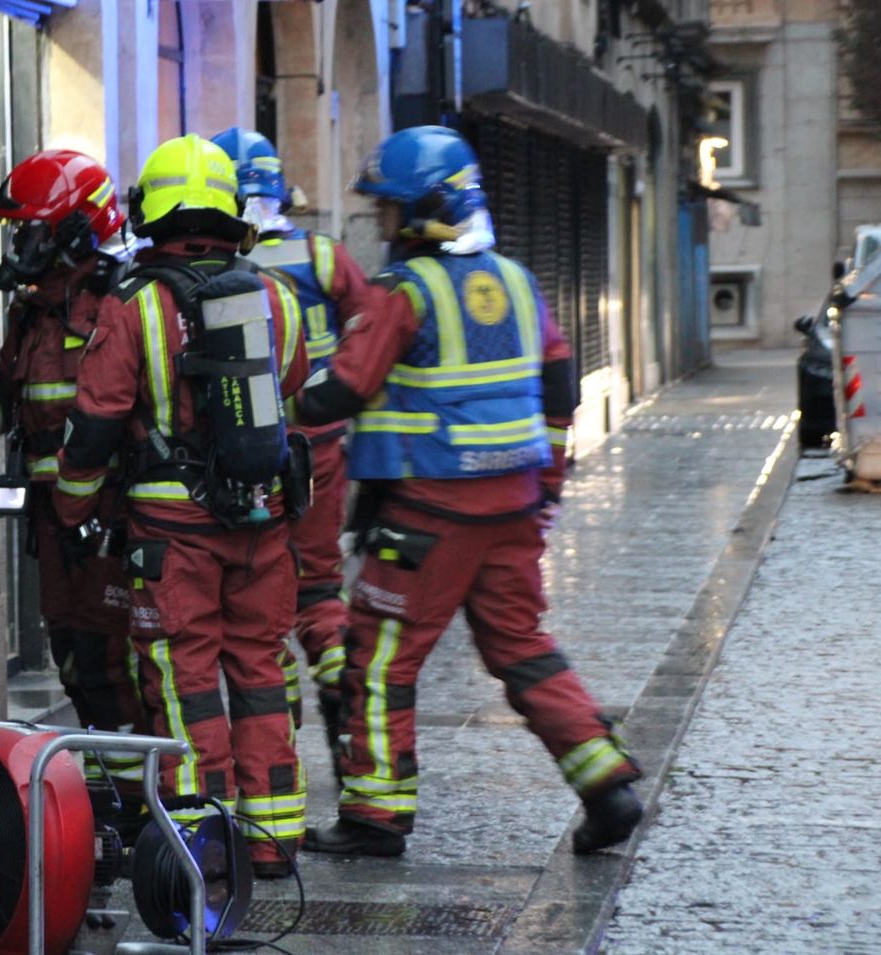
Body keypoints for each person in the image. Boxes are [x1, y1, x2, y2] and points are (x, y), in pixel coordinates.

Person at [293, 126, 643, 858]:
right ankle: (606, 780)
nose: (381, 224)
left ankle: (374, 816)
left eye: (388, 210)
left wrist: (270, 409)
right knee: (523, 646)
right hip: (511, 504)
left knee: (379, 659)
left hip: (426, 512)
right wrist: (545, 487)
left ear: (421, 210)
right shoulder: (517, 280)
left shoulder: (402, 291)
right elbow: (557, 390)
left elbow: (344, 389)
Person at [54, 134, 311, 878]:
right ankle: (273, 835)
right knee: (261, 669)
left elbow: (96, 422)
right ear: (231, 214)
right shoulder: (278, 296)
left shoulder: (132, 305)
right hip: (264, 522)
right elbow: (292, 381)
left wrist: (72, 514)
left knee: (182, 677)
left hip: (172, 537)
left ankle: (204, 841)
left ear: (153, 215)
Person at [0, 149, 147, 793]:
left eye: (32, 231)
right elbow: (4, 395)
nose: (22, 246)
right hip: (57, 524)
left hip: (112, 524)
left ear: (73, 233)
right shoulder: (33, 314)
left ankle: (142, 795)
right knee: (74, 658)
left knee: (115, 662)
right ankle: (115, 787)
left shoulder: (120, 307)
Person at [211, 126, 371, 771]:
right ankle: (337, 676)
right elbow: (369, 331)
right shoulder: (325, 257)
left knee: (256, 598)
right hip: (320, 449)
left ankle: (276, 738)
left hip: (246, 454)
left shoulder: (213, 266)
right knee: (319, 584)